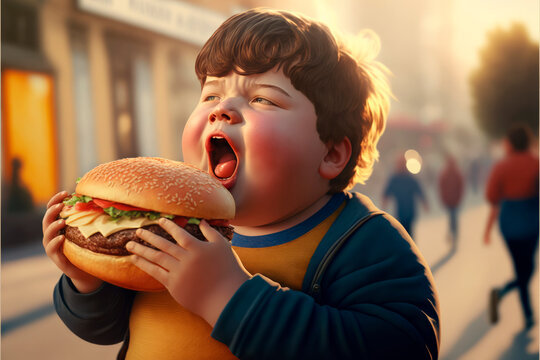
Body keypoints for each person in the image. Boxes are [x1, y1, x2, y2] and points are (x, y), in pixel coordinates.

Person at [43, 8, 440, 359]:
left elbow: (403, 346)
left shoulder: (361, 242)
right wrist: (87, 282)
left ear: (331, 153)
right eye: (210, 94)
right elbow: (107, 328)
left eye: (263, 99)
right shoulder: (167, 223)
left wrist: (229, 298)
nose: (222, 110)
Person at [484, 124, 539, 330]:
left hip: (509, 226)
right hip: (532, 223)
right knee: (528, 268)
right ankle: (528, 313)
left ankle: (503, 294)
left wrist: (488, 229)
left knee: (521, 268)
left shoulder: (501, 167)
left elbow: (492, 197)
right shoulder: (536, 164)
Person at [382, 155, 429, 237]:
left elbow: (419, 190)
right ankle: (406, 247)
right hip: (400, 210)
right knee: (402, 232)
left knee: (409, 232)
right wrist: (385, 201)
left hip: (410, 210)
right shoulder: (394, 178)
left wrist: (424, 202)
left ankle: (410, 247)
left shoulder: (410, 177)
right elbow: (387, 192)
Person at [438, 154, 465, 249]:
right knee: (452, 217)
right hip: (451, 200)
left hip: (452, 200)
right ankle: (453, 233)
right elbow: (441, 186)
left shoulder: (451, 173)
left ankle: (453, 234)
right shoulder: (450, 173)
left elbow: (460, 186)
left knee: (452, 217)